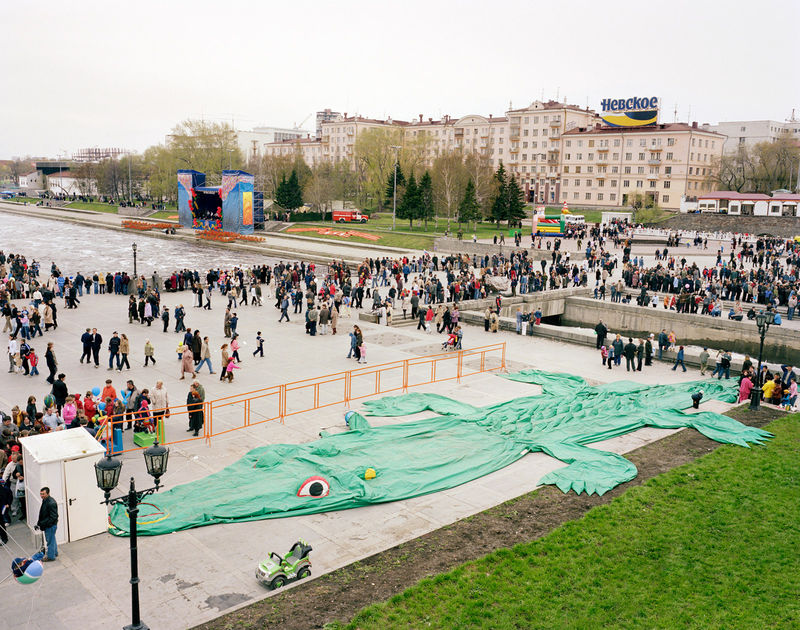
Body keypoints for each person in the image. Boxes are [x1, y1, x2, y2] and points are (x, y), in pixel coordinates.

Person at [36, 487, 58, 562]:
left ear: (48, 493)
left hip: (50, 526)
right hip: (49, 525)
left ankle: (51, 556)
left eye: (43, 494)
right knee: (52, 539)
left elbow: (53, 517)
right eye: (41, 494)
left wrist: (45, 524)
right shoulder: (45, 500)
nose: (41, 495)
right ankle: (55, 552)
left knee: (50, 541)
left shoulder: (51, 503)